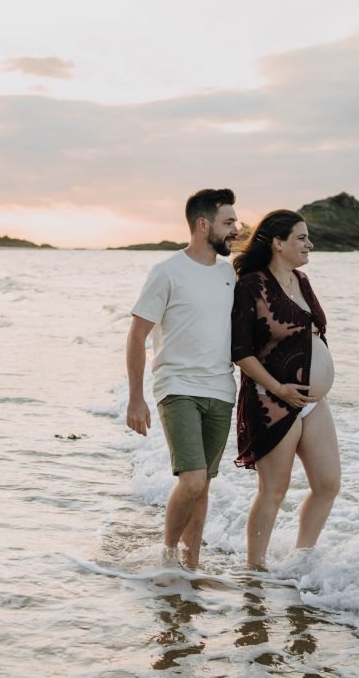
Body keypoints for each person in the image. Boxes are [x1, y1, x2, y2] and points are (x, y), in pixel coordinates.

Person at [126, 188, 240, 569]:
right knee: (191, 480)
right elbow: (137, 334)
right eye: (228, 222)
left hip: (222, 389)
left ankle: (192, 562)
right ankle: (168, 554)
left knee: (203, 484)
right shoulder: (166, 272)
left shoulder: (229, 274)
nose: (234, 229)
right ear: (202, 224)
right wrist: (135, 398)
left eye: (235, 222)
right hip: (177, 387)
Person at [231, 209, 341, 570]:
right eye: (301, 237)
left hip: (311, 401)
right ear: (278, 243)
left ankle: (301, 561)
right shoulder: (252, 284)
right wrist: (279, 386)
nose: (310, 244)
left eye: (308, 237)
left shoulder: (302, 279)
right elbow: (240, 351)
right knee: (274, 491)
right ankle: (255, 569)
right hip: (271, 399)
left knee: (327, 484)